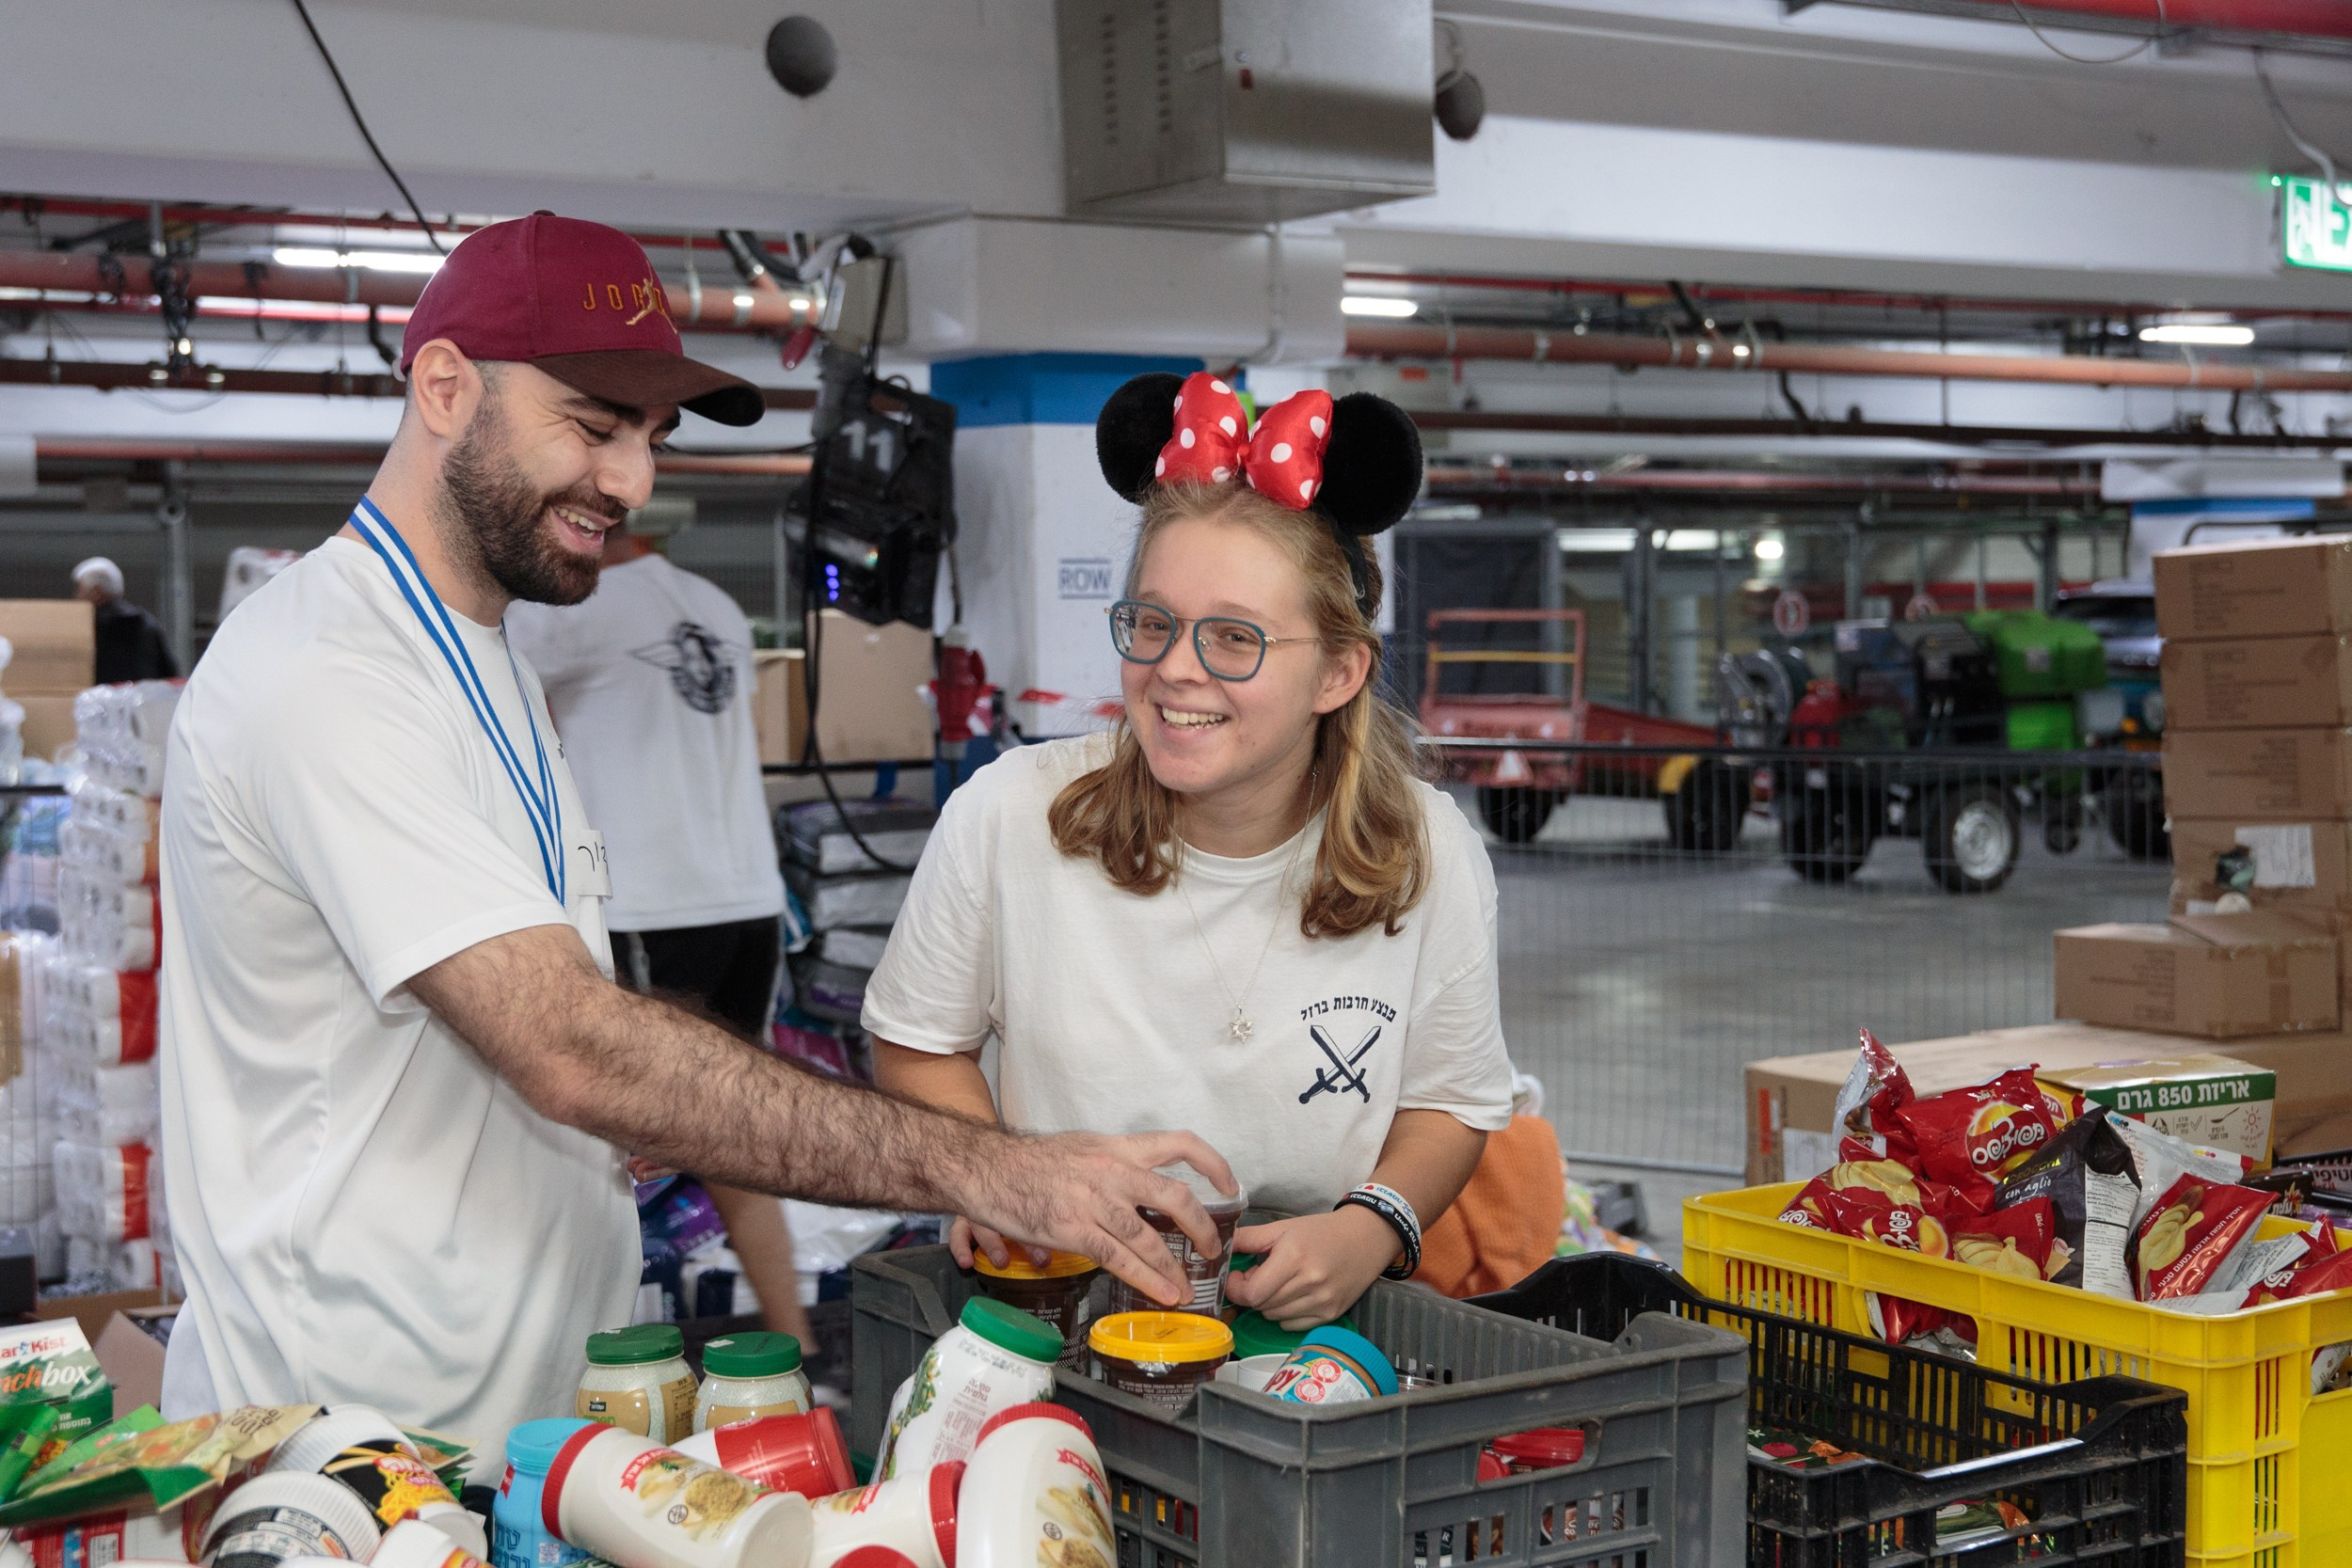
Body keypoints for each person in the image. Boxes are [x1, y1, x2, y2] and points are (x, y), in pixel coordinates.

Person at [156, 214, 1230, 1461]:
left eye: (652, 438)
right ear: (444, 386)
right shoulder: (331, 673)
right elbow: (567, 1044)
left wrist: (633, 1105)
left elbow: (526, 1026)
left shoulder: (481, 654)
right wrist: (995, 1168)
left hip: (500, 1421)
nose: (632, 482)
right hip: (351, 1455)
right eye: (592, 424)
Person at [868, 371, 1516, 1329]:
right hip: (1055, 1300)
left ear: (1338, 670)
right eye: (1153, 622)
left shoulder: (1428, 852)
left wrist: (1372, 1226)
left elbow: (1451, 1099)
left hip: (1304, 1338)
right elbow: (918, 1041)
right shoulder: (1010, 815)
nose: (1174, 668)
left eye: (1234, 638)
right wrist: (998, 1172)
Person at [507, 514, 811, 1347]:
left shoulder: (572, 610)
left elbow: (477, 694)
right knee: (733, 1136)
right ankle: (799, 1350)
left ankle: (595, 1366)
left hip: (652, 906)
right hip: (747, 903)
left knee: (599, 1144)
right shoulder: (716, 605)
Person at [72, 556, 178, 682]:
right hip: (143, 694)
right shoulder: (146, 624)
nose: (76, 597)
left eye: (80, 590)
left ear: (96, 592)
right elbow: (169, 673)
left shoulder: (87, 627)